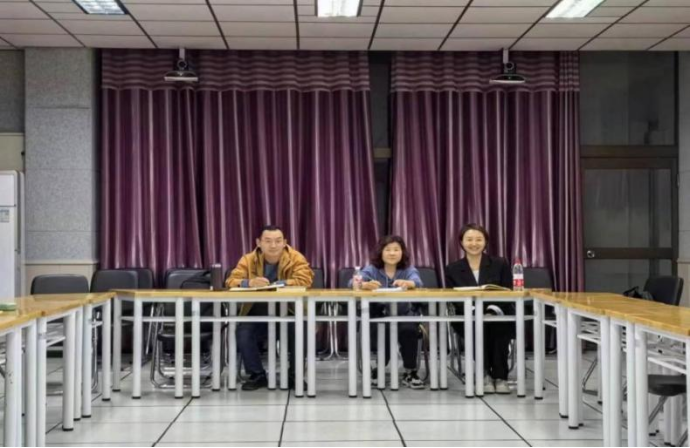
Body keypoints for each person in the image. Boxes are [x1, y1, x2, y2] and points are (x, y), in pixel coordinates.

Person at [226, 225, 314, 391]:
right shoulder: (248, 259)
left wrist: (281, 283)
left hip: (289, 312)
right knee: (243, 331)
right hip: (257, 314)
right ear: (258, 243)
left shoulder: (296, 257)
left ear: (285, 242)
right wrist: (249, 283)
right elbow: (231, 281)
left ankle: (294, 375)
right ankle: (257, 375)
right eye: (268, 241)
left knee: (301, 328)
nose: (273, 245)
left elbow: (305, 279)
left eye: (278, 241)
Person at [445, 223, 514, 394]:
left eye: (478, 239)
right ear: (461, 242)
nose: (474, 243)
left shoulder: (500, 263)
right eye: (469, 239)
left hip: (498, 313)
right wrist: (475, 312)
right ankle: (484, 375)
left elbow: (508, 291)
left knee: (498, 325)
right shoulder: (452, 268)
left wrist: (491, 310)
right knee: (477, 325)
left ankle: (500, 377)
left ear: (485, 242)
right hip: (467, 316)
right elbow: (453, 298)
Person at [349, 235, 425, 389]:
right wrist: (363, 285)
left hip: (403, 314)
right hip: (379, 315)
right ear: (381, 252)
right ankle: (379, 368)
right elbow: (353, 282)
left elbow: (418, 282)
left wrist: (408, 283)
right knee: (382, 329)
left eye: (396, 250)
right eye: (388, 249)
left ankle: (410, 371)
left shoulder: (408, 269)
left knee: (409, 329)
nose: (392, 253)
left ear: (402, 252)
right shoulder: (371, 269)